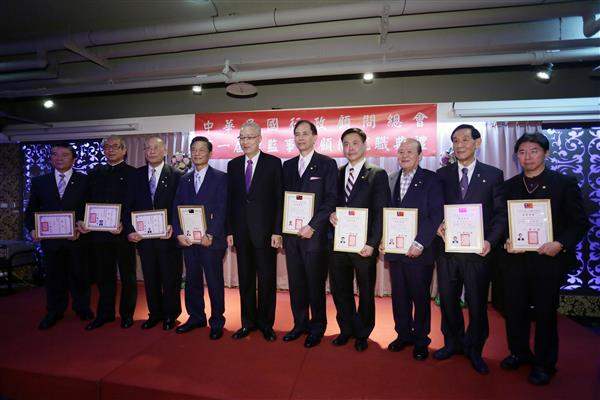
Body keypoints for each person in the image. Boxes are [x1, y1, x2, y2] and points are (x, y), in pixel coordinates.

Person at [501, 132, 589, 385]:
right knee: (514, 310)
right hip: (515, 260)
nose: (527, 157)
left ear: (546, 153)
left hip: (548, 260)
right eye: (522, 152)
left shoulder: (563, 183)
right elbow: (501, 221)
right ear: (516, 156)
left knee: (545, 313)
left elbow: (579, 222)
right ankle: (518, 352)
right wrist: (506, 240)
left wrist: (559, 244)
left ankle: (544, 363)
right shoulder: (509, 186)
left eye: (534, 151)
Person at [434, 124, 506, 374]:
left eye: (465, 139)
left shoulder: (493, 174)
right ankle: (452, 343)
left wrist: (490, 241)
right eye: (455, 140)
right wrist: (438, 226)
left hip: (478, 252)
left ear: (477, 143)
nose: (460, 144)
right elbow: (434, 208)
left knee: (477, 303)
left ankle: (474, 348)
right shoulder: (441, 174)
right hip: (448, 251)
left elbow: (500, 214)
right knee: (448, 301)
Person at [382, 138, 443, 360]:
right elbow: (385, 211)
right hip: (396, 250)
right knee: (399, 296)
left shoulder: (431, 179)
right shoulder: (391, 179)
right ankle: (403, 335)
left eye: (409, 151)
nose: (404, 155)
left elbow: (435, 214)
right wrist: (383, 238)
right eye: (401, 152)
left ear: (420, 156)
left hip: (420, 251)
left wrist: (420, 243)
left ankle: (421, 340)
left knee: (419, 296)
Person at [329, 127, 390, 352]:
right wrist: (330, 214)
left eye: (355, 143)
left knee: (365, 291)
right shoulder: (337, 173)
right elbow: (331, 202)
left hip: (364, 245)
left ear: (364, 146)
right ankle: (346, 329)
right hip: (339, 243)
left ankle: (363, 333)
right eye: (346, 144)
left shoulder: (377, 173)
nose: (350, 148)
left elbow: (380, 211)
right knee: (340, 288)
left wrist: (372, 243)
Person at [281, 120, 337, 348]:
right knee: (296, 284)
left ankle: (317, 327)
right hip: (292, 236)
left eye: (305, 133)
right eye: (297, 134)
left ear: (315, 137)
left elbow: (331, 199)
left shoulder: (327, 164)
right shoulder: (287, 165)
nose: (301, 138)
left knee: (315, 284)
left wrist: (313, 225)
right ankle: (300, 324)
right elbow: (282, 200)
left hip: (315, 236)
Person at [25, 143, 94, 329]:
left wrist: (82, 224)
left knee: (80, 275)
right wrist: (32, 229)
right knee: (54, 278)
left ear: (74, 159)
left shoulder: (85, 181)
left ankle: (82, 308)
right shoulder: (40, 182)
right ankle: (54, 311)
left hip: (77, 238)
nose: (59, 158)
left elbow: (90, 208)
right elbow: (31, 211)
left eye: (64, 155)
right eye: (55, 154)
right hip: (51, 241)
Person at [227, 121, 283, 341]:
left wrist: (277, 231)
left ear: (260, 139)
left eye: (249, 137)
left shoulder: (273, 163)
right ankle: (247, 323)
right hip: (241, 233)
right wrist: (230, 230)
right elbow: (230, 200)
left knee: (267, 280)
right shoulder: (233, 165)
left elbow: (279, 200)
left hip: (266, 233)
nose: (245, 141)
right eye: (242, 137)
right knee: (246, 279)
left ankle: (266, 324)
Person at [125, 136, 183, 331]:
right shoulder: (136, 175)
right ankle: (155, 314)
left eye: (155, 148)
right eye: (147, 148)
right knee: (150, 278)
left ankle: (171, 314)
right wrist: (130, 230)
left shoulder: (176, 175)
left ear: (164, 151)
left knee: (170, 278)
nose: (151, 151)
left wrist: (174, 226)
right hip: (144, 239)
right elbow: (127, 205)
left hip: (167, 237)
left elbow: (180, 205)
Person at [173, 136, 228, 340]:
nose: (197, 153)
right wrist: (179, 233)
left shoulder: (221, 178)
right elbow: (176, 208)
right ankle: (196, 317)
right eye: (194, 149)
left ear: (210, 153)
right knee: (192, 280)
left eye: (201, 150)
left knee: (214, 282)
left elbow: (222, 209)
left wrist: (211, 233)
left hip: (211, 241)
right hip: (189, 241)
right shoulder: (184, 179)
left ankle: (217, 321)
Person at [80, 135, 138, 330]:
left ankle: (127, 315)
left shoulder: (133, 174)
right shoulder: (94, 173)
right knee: (104, 276)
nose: (110, 150)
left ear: (124, 150)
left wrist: (124, 224)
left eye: (115, 146)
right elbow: (85, 201)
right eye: (107, 147)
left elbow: (135, 204)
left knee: (128, 275)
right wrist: (83, 220)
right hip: (99, 234)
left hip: (123, 233)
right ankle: (104, 314)